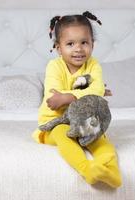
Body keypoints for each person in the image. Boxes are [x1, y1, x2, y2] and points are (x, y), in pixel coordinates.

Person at [32, 11, 122, 188]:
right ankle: (87, 170)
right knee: (63, 134)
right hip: (54, 122)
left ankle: (111, 171)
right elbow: (53, 98)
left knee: (100, 140)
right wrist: (89, 93)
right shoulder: (54, 66)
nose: (78, 49)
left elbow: (97, 89)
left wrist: (69, 96)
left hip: (84, 120)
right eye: (70, 43)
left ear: (92, 45)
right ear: (59, 47)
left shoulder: (93, 65)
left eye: (84, 43)